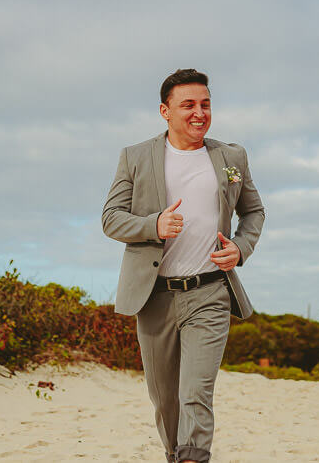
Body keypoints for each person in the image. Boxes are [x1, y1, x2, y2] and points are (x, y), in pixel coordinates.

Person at [102, 68, 265, 463]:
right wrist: (152, 224)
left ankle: (194, 458)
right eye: (188, 105)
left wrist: (240, 249)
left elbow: (253, 212)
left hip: (209, 292)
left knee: (195, 393)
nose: (199, 113)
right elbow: (111, 219)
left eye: (205, 104)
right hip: (154, 297)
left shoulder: (231, 157)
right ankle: (176, 455)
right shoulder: (135, 157)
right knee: (165, 401)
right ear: (165, 111)